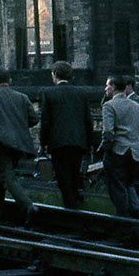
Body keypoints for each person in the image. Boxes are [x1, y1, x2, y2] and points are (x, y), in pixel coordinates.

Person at [0, 70, 40, 223]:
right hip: (18, 144)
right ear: (10, 81)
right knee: (1, 174)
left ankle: (28, 206)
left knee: (8, 177)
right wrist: (18, 126)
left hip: (0, 144)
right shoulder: (22, 97)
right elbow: (34, 118)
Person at [39, 61, 94, 209]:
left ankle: (70, 206)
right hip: (78, 140)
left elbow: (46, 121)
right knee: (74, 173)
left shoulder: (49, 93)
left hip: (58, 142)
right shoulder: (81, 92)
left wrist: (42, 143)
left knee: (63, 176)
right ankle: (75, 202)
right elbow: (88, 120)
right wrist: (89, 142)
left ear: (54, 75)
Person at [101, 75, 139, 219]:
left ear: (114, 88)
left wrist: (107, 148)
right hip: (134, 151)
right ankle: (138, 213)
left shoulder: (109, 106)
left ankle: (124, 218)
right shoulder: (135, 105)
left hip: (117, 150)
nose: (105, 89)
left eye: (107, 86)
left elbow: (108, 131)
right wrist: (134, 137)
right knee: (129, 183)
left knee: (117, 186)